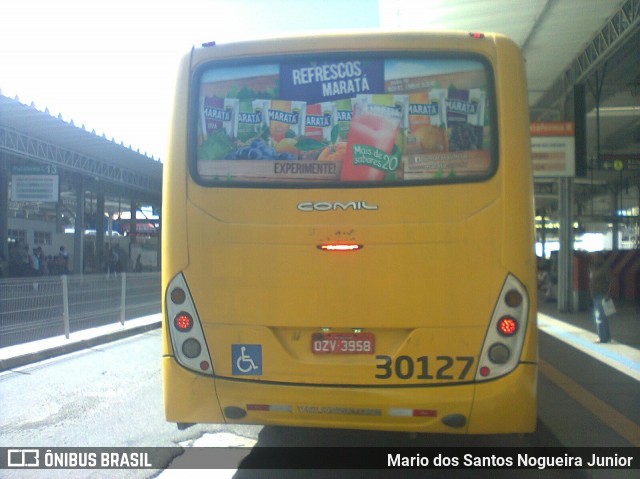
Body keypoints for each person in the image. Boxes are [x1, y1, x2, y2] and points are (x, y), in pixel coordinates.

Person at [589, 254, 612, 343]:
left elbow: (610, 281)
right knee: (603, 316)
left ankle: (602, 337)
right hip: (594, 294)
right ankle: (607, 337)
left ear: (600, 257)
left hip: (602, 294)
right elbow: (591, 279)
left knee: (600, 316)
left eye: (596, 257)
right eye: (594, 257)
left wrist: (608, 293)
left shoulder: (605, 267)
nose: (595, 258)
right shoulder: (592, 267)